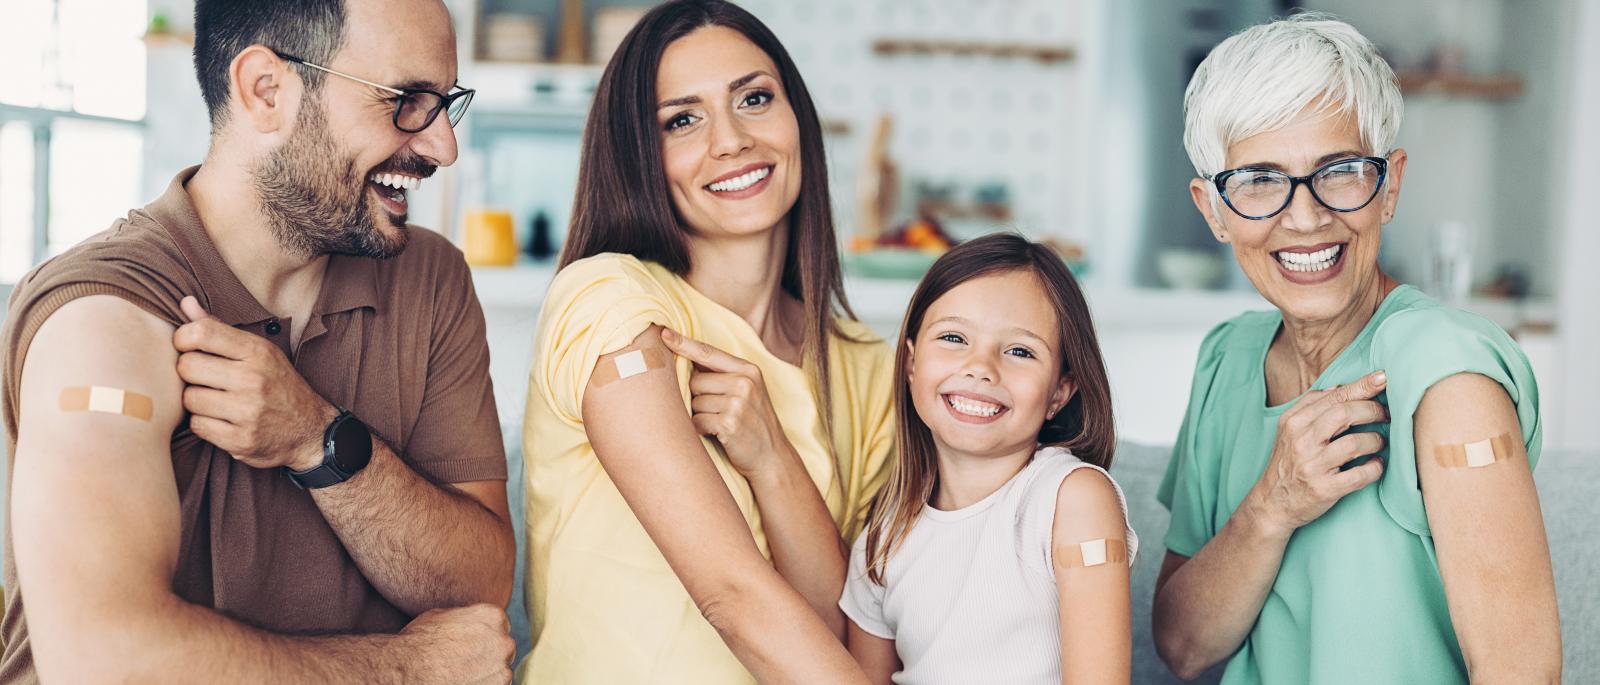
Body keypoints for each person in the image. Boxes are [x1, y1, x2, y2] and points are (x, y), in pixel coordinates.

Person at [0, 0, 516, 682]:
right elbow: (103, 661)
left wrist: (318, 438)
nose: (443, 145)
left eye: (446, 102)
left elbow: (478, 588)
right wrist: (405, 670)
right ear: (265, 90)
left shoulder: (429, 277)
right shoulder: (101, 316)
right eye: (406, 100)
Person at [1152, 13, 1560, 683]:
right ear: (1214, 210)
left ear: (1389, 184)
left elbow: (1523, 672)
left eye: (1338, 171)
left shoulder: (1450, 380)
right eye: (1259, 179)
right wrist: (1272, 504)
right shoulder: (1226, 359)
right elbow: (1184, 645)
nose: (1306, 216)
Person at [518, 0, 895, 682]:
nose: (732, 140)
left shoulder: (867, 366)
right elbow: (731, 594)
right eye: (682, 119)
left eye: (754, 98)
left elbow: (840, 633)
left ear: (798, 120)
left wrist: (773, 457)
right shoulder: (611, 299)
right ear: (640, 156)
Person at [840, 233, 1136, 685]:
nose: (981, 367)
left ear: (1059, 391)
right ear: (910, 363)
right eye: (954, 337)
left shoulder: (1073, 500)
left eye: (1020, 351)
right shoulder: (883, 537)